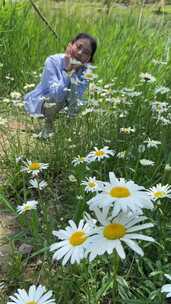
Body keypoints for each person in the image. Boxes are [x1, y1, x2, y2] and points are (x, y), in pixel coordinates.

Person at [24, 33, 97, 138]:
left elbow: (77, 98)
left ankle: (66, 129)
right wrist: (69, 70)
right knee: (57, 99)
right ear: (70, 45)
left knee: (82, 102)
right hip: (43, 103)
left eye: (86, 52)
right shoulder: (52, 61)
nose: (80, 53)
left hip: (64, 105)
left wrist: (76, 70)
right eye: (78, 47)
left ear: (89, 59)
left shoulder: (87, 71)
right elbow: (57, 95)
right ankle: (48, 125)